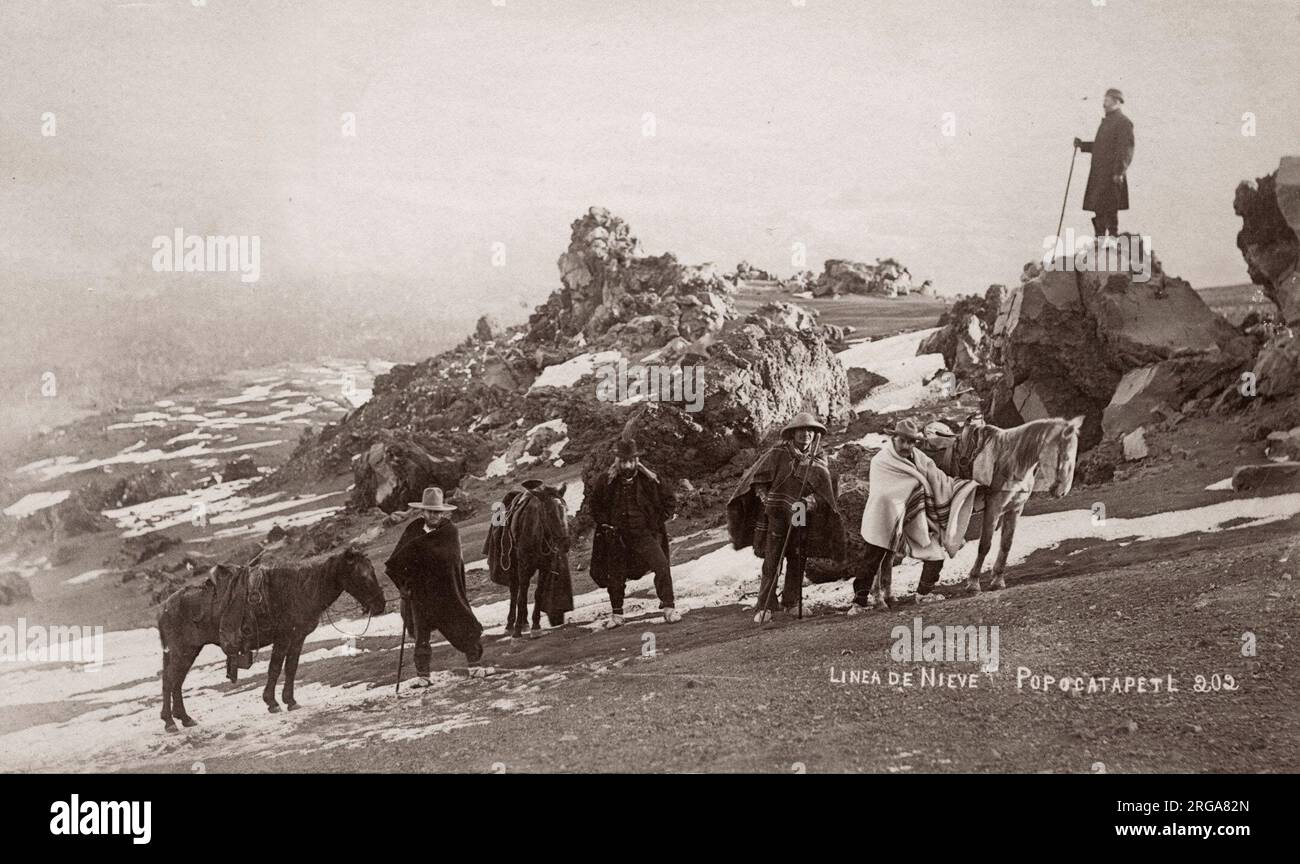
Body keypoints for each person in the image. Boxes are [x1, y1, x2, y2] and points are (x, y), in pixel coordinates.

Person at [727, 412, 845, 624]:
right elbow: (758, 480)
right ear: (792, 433)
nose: (805, 435)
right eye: (801, 430)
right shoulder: (778, 453)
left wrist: (810, 502)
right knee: (773, 558)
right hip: (777, 512)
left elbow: (825, 492)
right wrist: (766, 498)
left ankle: (792, 602)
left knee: (797, 556)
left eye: (809, 431)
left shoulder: (818, 458)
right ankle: (766, 604)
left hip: (800, 513)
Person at [851, 419, 978, 613]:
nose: (906, 446)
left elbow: (937, 479)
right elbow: (883, 493)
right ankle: (859, 602)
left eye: (911, 442)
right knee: (872, 557)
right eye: (902, 441)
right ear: (894, 438)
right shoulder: (881, 461)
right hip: (884, 515)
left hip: (915, 516)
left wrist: (962, 486)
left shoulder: (919, 457)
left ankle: (923, 593)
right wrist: (913, 491)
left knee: (935, 554)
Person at [384, 487, 484, 688]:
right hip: (420, 594)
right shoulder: (413, 530)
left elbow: (453, 561)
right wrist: (404, 585)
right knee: (421, 635)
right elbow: (398, 560)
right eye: (430, 511)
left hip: (446, 592)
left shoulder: (449, 531)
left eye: (438, 512)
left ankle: (474, 665)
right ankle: (423, 675)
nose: (434, 515)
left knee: (461, 623)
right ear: (423, 512)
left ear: (443, 512)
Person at [588, 438, 681, 627]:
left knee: (661, 564)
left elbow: (669, 500)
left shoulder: (649, 479)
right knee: (615, 574)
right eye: (623, 461)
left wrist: (656, 521)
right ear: (617, 461)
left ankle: (669, 608)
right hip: (617, 536)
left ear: (636, 461)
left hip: (644, 534)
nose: (627, 465)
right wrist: (605, 525)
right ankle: (617, 614)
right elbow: (595, 506)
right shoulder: (606, 481)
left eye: (631, 461)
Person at [1074, 87, 1134, 238]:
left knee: (1110, 207)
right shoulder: (1108, 122)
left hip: (1111, 174)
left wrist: (1119, 171)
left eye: (1106, 99)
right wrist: (1083, 145)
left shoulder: (1123, 122)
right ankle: (1100, 237)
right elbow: (1101, 147)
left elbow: (1126, 149)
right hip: (1101, 174)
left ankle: (1112, 237)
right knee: (1100, 207)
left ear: (1115, 101)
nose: (1104, 102)